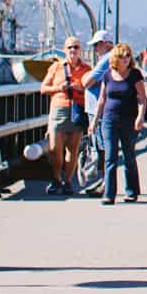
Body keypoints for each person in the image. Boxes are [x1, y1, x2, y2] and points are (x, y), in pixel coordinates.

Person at [93, 42, 147, 204]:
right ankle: (109, 194)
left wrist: (140, 117)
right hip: (109, 120)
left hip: (129, 120)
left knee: (129, 155)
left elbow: (142, 98)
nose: (125, 59)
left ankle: (131, 191)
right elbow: (102, 99)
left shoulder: (135, 75)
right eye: (122, 56)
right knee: (110, 157)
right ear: (116, 58)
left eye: (128, 56)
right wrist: (95, 120)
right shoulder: (108, 75)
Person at [39, 35, 91, 195]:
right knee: (55, 148)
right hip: (59, 109)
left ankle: (67, 181)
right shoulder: (56, 67)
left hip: (77, 110)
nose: (73, 50)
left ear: (80, 50)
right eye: (70, 47)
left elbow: (93, 89)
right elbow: (43, 88)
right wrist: (59, 88)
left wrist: (80, 88)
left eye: (76, 47)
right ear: (65, 50)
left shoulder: (86, 69)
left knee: (73, 149)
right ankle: (56, 179)